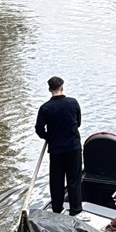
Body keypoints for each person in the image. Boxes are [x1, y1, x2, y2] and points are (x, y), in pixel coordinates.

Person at [35, 75, 83, 216]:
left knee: (56, 180)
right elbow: (78, 123)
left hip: (56, 149)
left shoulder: (45, 108)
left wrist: (49, 137)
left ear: (50, 89)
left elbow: (39, 129)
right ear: (62, 87)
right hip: (73, 147)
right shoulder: (73, 103)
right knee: (74, 179)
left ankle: (57, 209)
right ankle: (75, 210)